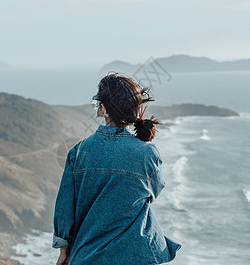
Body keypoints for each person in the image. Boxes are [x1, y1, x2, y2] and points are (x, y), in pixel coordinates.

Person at [52, 73, 181, 264]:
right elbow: (154, 192)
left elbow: (64, 211)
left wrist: (64, 252)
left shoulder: (78, 152)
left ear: (102, 109)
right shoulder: (147, 153)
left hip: (87, 257)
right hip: (137, 256)